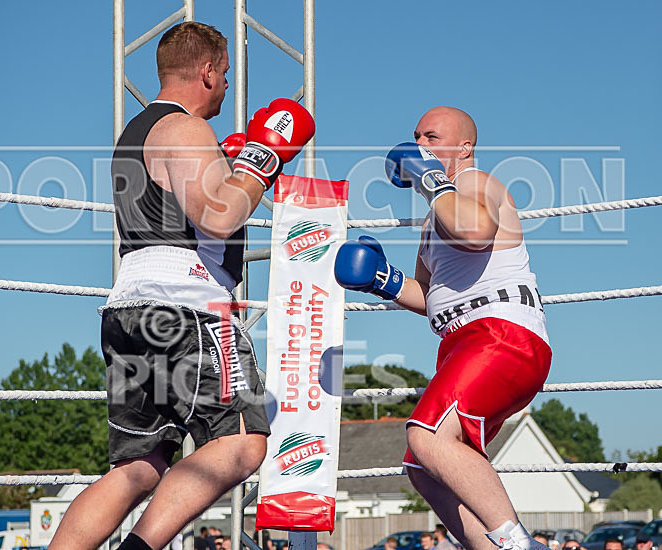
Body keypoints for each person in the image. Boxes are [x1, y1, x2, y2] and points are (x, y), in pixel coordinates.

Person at [48, 22, 315, 550]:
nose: (228, 89)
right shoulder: (185, 128)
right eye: (226, 76)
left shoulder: (135, 133)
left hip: (129, 307)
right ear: (208, 70)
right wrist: (260, 161)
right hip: (188, 306)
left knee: (139, 467)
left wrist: (234, 167)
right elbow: (217, 216)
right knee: (240, 443)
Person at [334, 106, 552, 550]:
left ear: (464, 148)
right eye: (416, 138)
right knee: (421, 465)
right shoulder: (436, 219)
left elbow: (474, 232)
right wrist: (383, 280)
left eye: (432, 138)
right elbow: (431, 296)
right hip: (464, 343)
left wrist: (431, 178)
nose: (420, 146)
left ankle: (517, 544)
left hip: (502, 335)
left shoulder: (477, 183)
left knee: (427, 435)